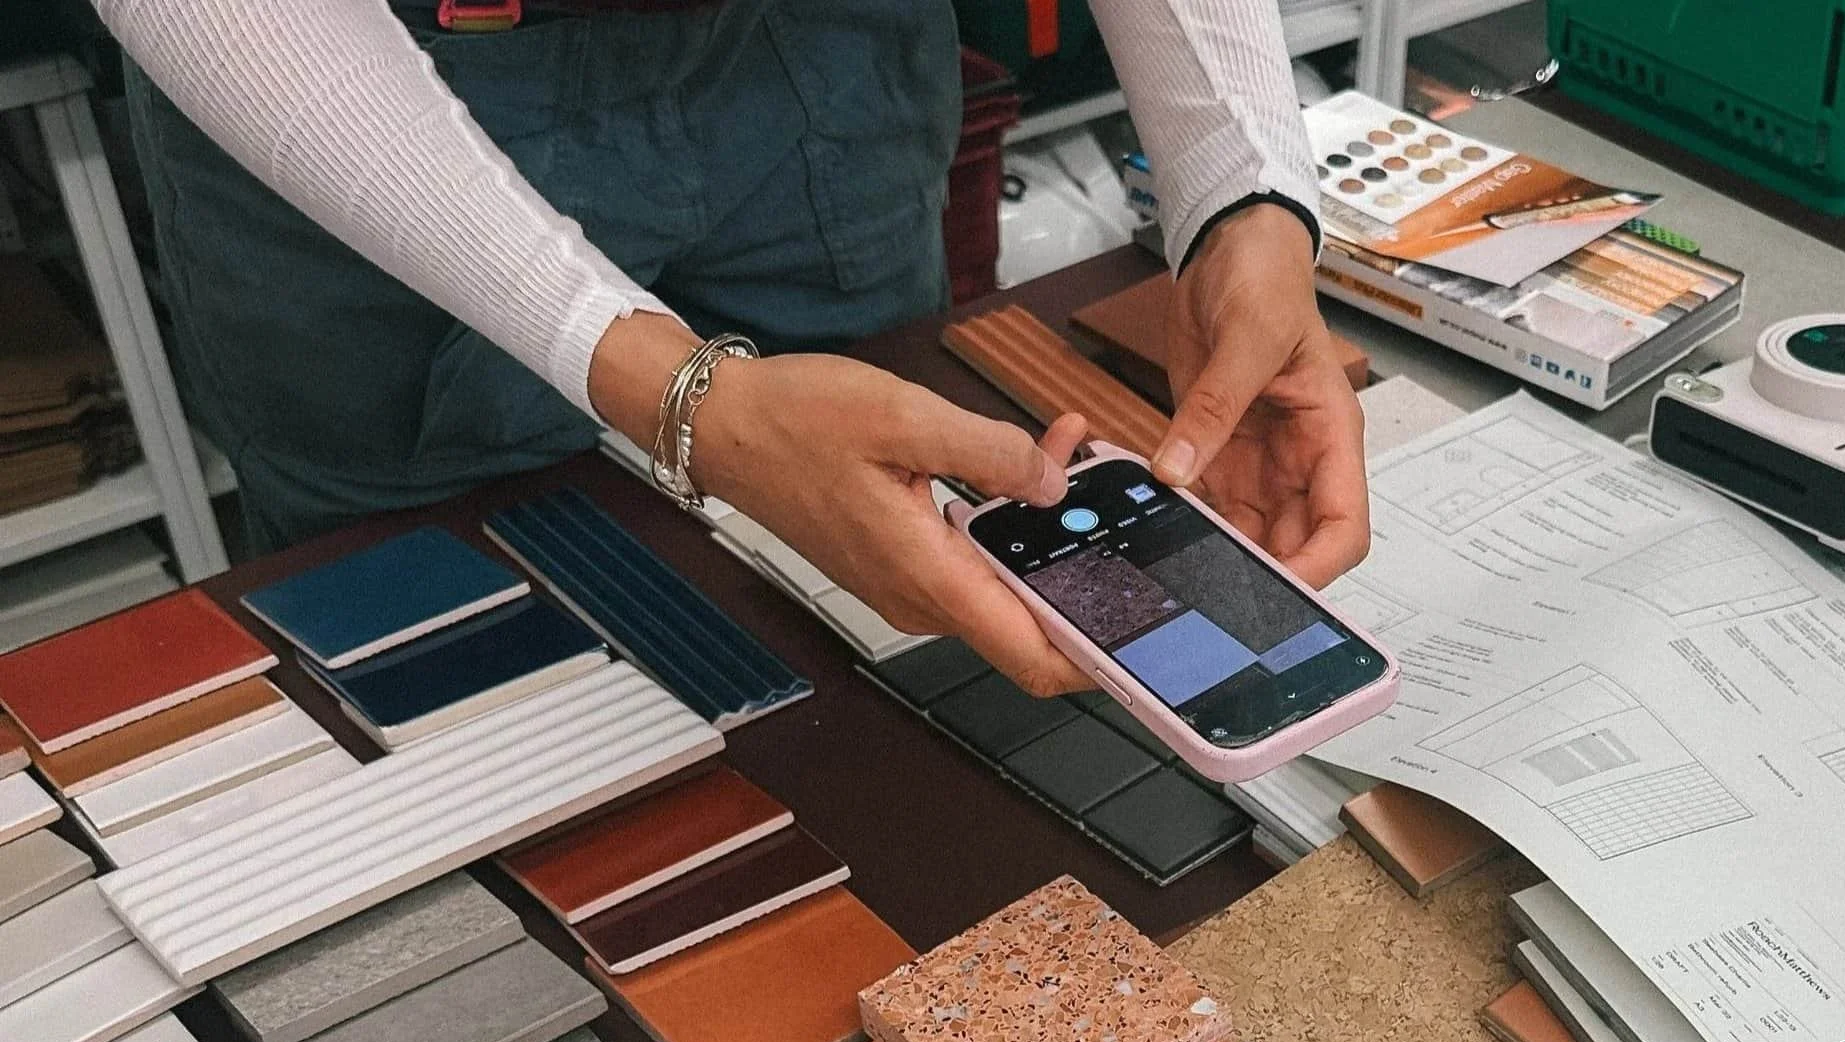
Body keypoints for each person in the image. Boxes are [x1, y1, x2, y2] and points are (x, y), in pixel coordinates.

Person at [95, 0, 1370, 692]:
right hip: (358, 81)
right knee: (434, 653)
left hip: (821, 53)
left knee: (894, 619)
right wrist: (684, 394)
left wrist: (1239, 192)